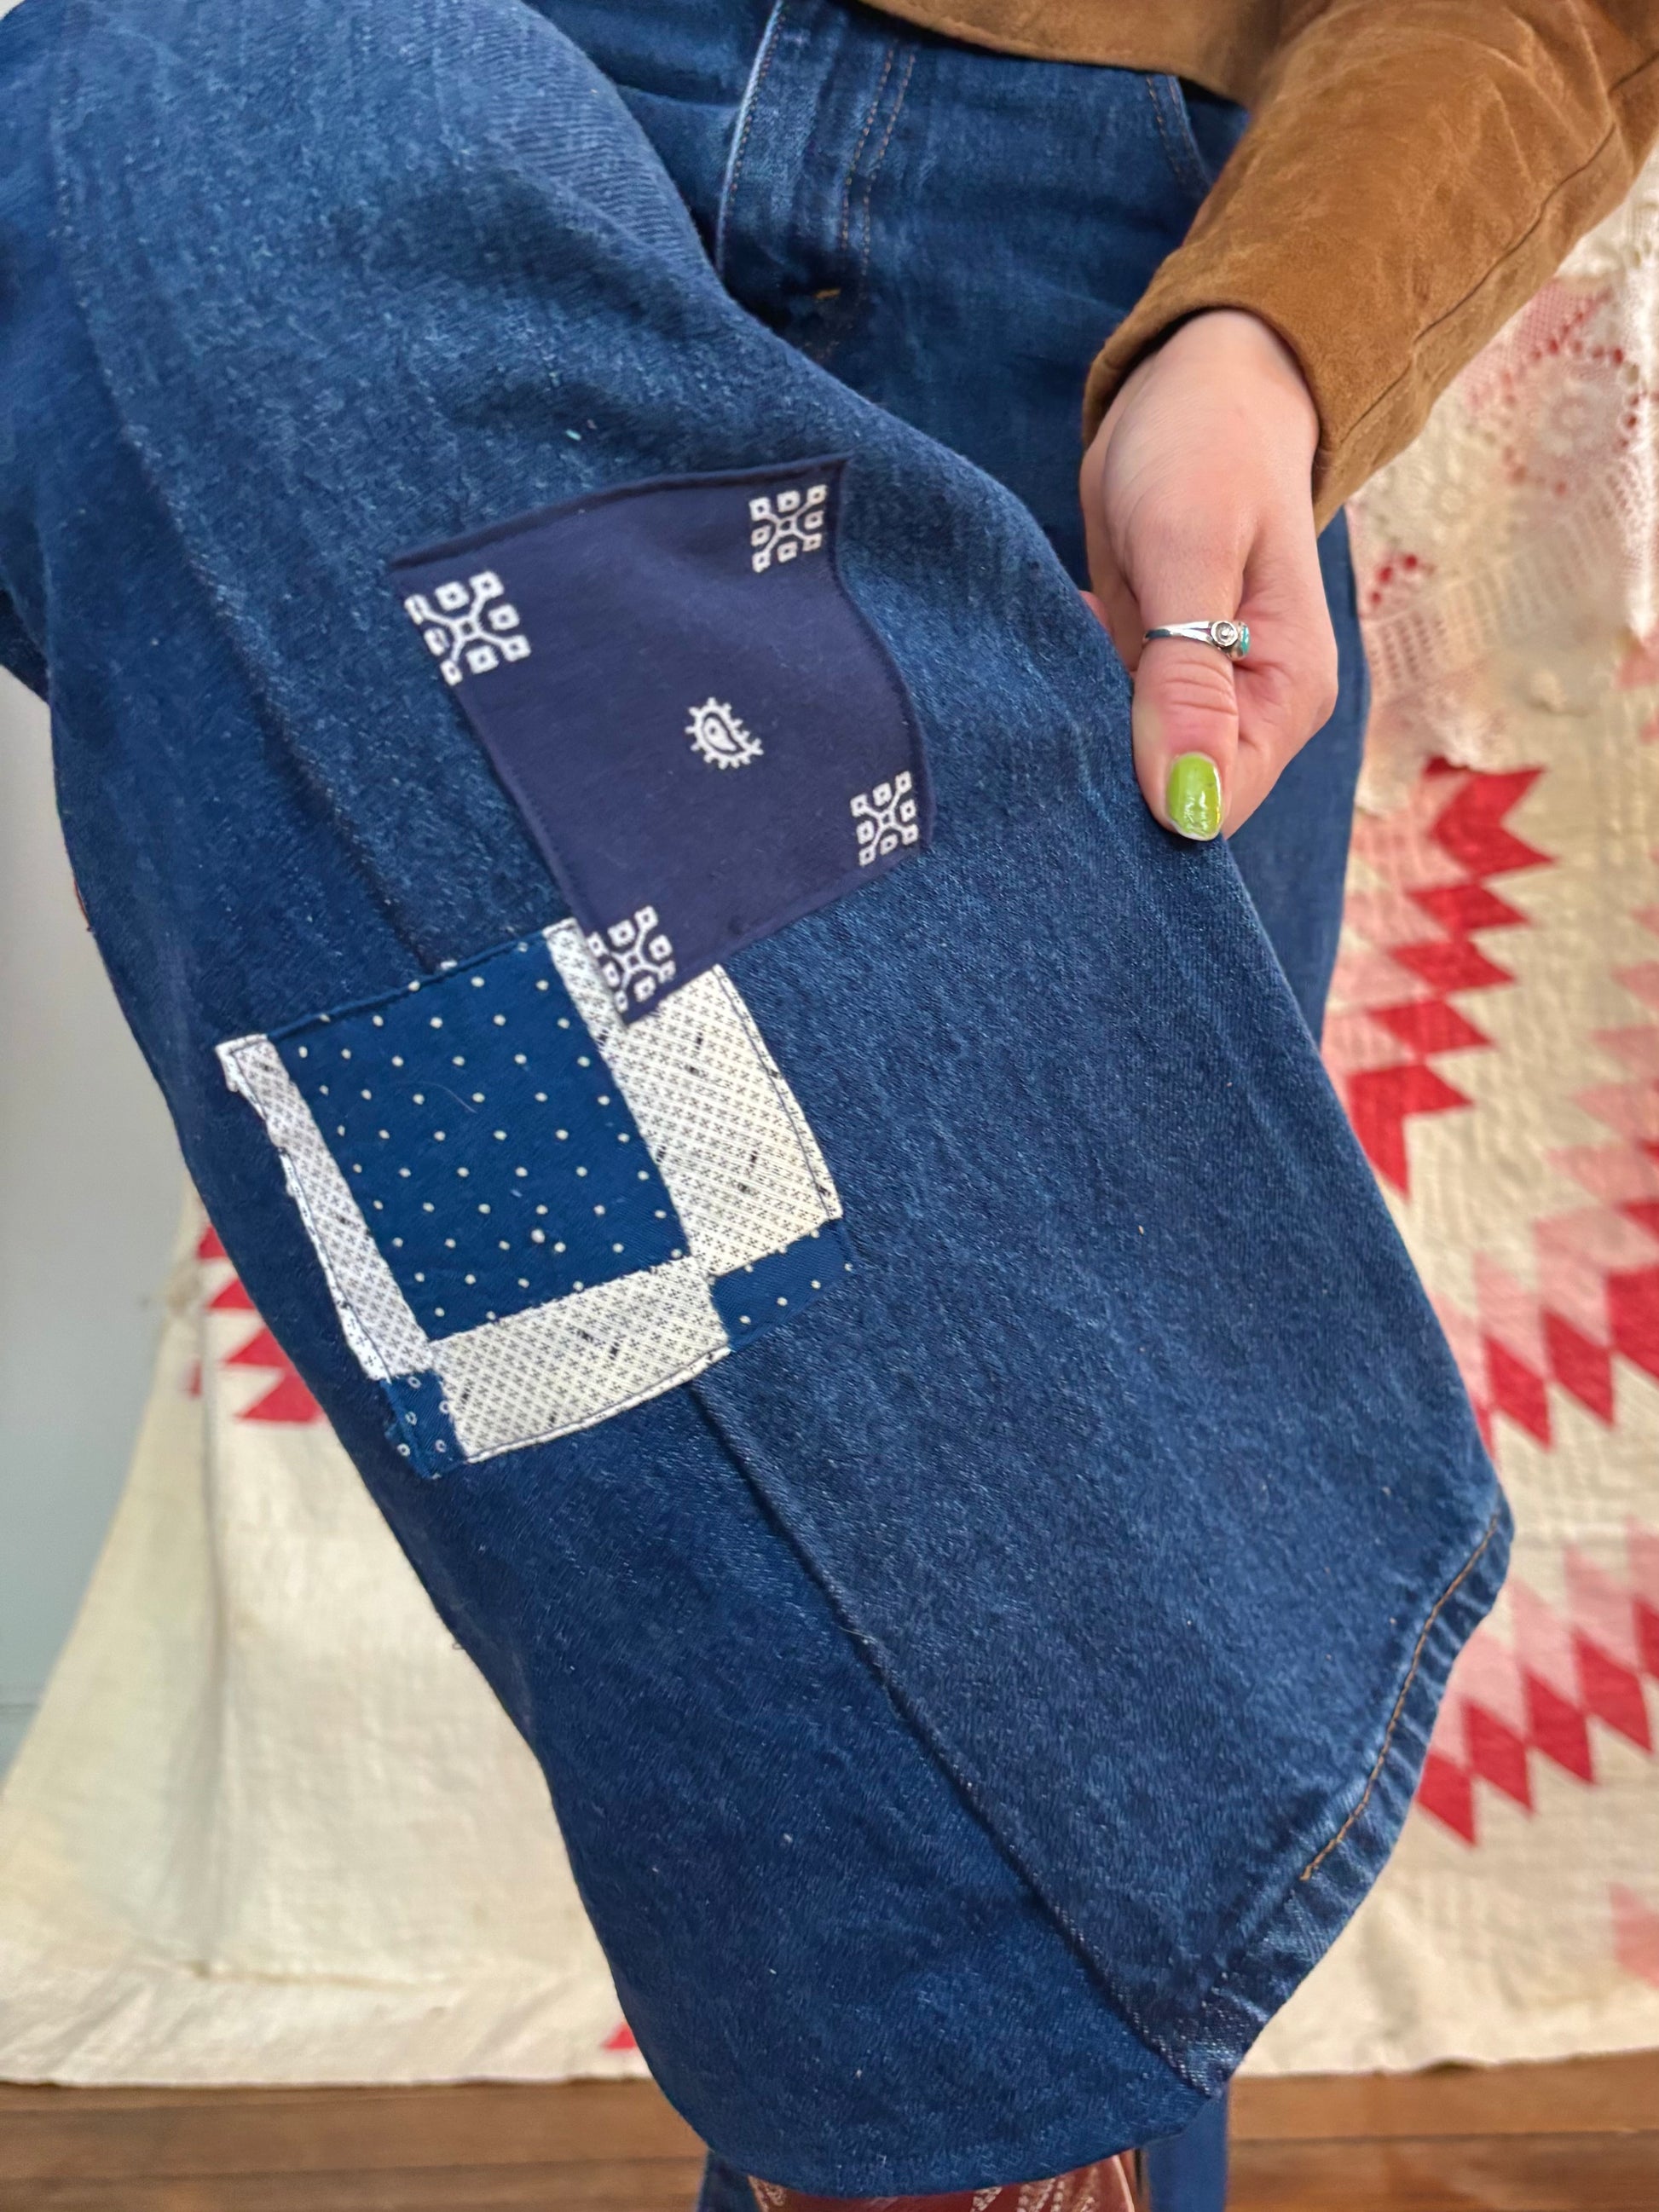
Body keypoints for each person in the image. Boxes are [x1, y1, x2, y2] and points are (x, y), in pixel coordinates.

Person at [0, 3, 1651, 2209]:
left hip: (1112, 298)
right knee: (601, 1343)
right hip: (397, 194)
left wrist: (1279, 337)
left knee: (1056, 1668)